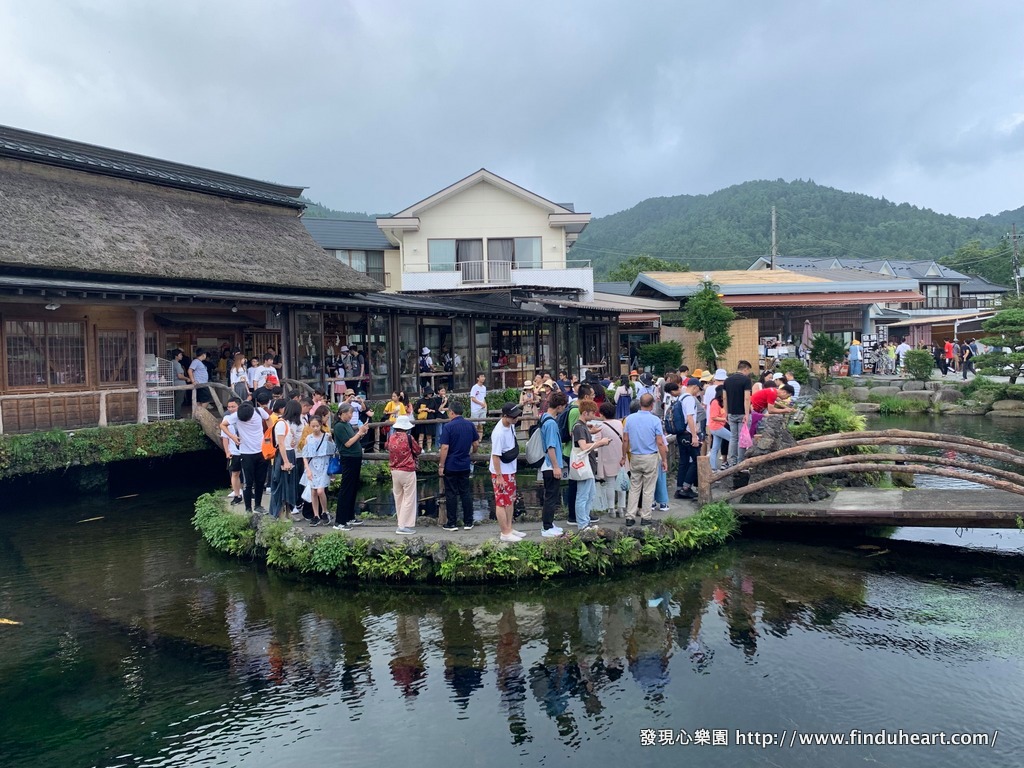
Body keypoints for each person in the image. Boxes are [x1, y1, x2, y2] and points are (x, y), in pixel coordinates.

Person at [622, 393, 668, 526]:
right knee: (648, 488)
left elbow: (625, 439)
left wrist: (623, 456)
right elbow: (660, 442)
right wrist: (664, 459)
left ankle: (630, 516)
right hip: (650, 456)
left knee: (634, 487)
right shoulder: (655, 420)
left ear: (640, 403)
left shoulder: (629, 419)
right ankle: (646, 517)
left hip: (635, 456)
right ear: (652, 405)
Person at [220, 400, 270, 514]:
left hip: (262, 451)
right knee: (248, 482)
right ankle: (248, 509)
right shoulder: (236, 416)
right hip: (246, 453)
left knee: (260, 480)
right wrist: (232, 437)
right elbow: (222, 425)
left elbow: (268, 419)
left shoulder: (259, 411)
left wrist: (269, 435)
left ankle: (258, 505)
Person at [438, 401, 479, 531]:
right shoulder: (469, 425)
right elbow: (476, 443)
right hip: (465, 463)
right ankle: (468, 521)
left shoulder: (448, 427)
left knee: (451, 493)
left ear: (451, 412)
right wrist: (473, 454)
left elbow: (444, 447)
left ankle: (452, 522)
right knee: (465, 492)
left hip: (451, 464)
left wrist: (441, 465)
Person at [571, 400, 611, 530]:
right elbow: (583, 446)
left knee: (590, 495)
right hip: (584, 466)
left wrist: (592, 433)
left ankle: (586, 521)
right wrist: (601, 442)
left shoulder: (583, 426)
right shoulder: (579, 427)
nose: (594, 415)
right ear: (584, 413)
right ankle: (582, 524)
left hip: (588, 465)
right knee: (583, 496)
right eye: (592, 413)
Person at [490, 403, 526, 542]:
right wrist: (499, 476)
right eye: (513, 416)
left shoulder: (510, 426)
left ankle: (509, 528)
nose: (516, 418)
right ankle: (504, 532)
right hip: (501, 471)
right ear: (505, 416)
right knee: (501, 501)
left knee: (510, 499)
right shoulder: (498, 432)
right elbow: (495, 455)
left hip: (510, 469)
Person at [332, 403, 369, 530]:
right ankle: (340, 521)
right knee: (346, 488)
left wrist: (361, 433)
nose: (351, 415)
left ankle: (349, 516)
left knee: (353, 488)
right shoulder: (339, 426)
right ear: (342, 413)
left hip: (355, 457)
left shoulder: (346, 425)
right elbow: (347, 443)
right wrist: (359, 433)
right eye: (349, 413)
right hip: (348, 458)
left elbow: (353, 439)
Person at [539, 390, 568, 537]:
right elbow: (551, 446)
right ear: (560, 406)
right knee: (551, 496)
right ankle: (547, 527)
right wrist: (556, 466)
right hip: (551, 465)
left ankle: (549, 523)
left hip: (547, 464)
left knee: (550, 495)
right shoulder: (551, 423)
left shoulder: (544, 418)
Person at [388, 414, 421, 535]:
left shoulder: (391, 437)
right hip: (407, 470)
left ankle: (400, 522)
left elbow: (387, 447)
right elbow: (417, 450)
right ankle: (403, 525)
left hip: (394, 470)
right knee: (409, 498)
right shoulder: (408, 438)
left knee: (398, 497)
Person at [299, 413, 334, 526]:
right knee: (313, 491)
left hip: (324, 464)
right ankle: (316, 515)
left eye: (317, 426)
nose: (315, 428)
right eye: (312, 426)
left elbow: (332, 451)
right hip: (313, 465)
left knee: (320, 490)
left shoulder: (327, 436)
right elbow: (305, 455)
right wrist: (307, 469)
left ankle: (324, 510)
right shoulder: (308, 438)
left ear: (321, 425)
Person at [268, 400, 301, 519]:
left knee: (290, 484)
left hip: (290, 453)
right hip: (284, 455)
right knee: (282, 484)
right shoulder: (281, 423)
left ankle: (288, 512)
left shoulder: (287, 423)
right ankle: (279, 513)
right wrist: (286, 461)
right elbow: (281, 444)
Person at [595, 401, 626, 517]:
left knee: (610, 484)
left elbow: (597, 442)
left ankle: (611, 509)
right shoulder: (619, 424)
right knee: (622, 482)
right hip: (620, 457)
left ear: (602, 414)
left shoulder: (601, 426)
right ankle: (622, 508)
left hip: (607, 457)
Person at [674, 378, 703, 500]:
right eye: (699, 390)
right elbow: (690, 417)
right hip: (688, 434)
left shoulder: (680, 397)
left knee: (683, 461)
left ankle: (679, 488)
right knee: (696, 460)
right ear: (695, 387)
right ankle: (686, 488)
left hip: (680, 433)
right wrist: (694, 436)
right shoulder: (690, 399)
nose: (698, 392)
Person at [722, 360, 753, 468]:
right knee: (742, 437)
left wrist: (726, 412)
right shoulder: (746, 380)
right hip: (742, 413)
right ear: (745, 369)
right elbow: (747, 398)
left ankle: (732, 462)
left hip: (731, 413)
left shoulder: (727, 381)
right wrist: (747, 413)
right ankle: (741, 462)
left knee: (733, 438)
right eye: (748, 371)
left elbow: (724, 398)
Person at [220, 396, 243, 504]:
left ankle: (248, 491)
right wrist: (227, 451)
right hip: (234, 451)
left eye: (233, 406)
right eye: (229, 407)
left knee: (248, 473)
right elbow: (225, 438)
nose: (231, 409)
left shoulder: (245, 417)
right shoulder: (226, 420)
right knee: (235, 473)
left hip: (247, 450)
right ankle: (237, 494)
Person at [707, 386, 731, 471]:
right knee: (733, 439)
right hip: (717, 427)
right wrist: (725, 419)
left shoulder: (722, 402)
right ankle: (731, 461)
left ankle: (713, 468)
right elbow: (713, 417)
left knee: (715, 448)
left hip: (719, 426)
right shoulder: (715, 402)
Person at [169, 349, 187, 418]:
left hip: (173, 383)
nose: (182, 356)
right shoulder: (177, 364)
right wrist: (187, 378)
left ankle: (174, 414)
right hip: (180, 385)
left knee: (175, 400)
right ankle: (177, 415)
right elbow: (180, 376)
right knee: (179, 400)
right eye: (180, 354)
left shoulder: (171, 363)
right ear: (176, 356)